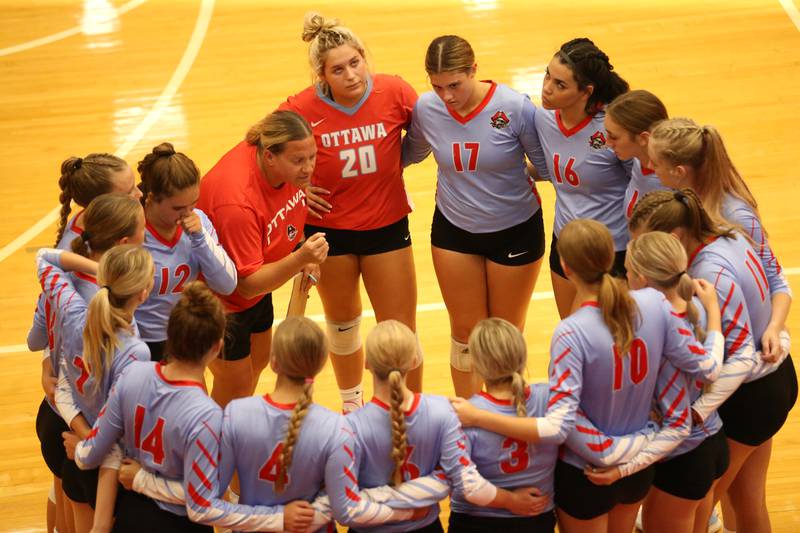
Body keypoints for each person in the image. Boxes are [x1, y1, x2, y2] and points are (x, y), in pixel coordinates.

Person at [451, 219, 728, 533]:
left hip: (586, 473)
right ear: (612, 257)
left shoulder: (570, 332)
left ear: (566, 268)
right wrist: (715, 317)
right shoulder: (654, 303)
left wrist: (478, 417)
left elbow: (558, 426)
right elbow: (709, 368)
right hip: (636, 471)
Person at [120, 317, 445, 531]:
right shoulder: (337, 427)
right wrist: (409, 506)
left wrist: (144, 481)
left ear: (273, 363)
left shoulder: (235, 414)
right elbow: (344, 507)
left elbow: (203, 503)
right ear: (320, 368)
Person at [69, 283, 322, 532]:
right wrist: (278, 518)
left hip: (130, 516)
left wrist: (80, 447)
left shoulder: (132, 374)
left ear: (170, 332)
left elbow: (90, 453)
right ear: (217, 348)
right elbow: (201, 506)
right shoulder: (207, 416)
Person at [629, 189, 797, 533]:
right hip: (772, 380)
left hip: (747, 400)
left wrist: (695, 410)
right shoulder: (730, 236)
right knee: (748, 504)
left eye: (646, 245)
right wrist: (780, 335)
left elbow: (727, 362)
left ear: (673, 237)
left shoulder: (707, 275)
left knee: (693, 518)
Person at [279, 12, 422, 411]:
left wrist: (401, 161)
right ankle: (353, 406)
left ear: (363, 56)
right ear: (322, 75)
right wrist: (298, 191)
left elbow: (431, 133)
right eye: (337, 69)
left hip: (386, 225)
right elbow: (265, 155)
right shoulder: (299, 108)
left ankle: (408, 406)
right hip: (327, 232)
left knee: (400, 329)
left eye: (355, 62)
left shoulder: (394, 91)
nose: (351, 75)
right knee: (342, 324)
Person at [402, 35, 549, 397]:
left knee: (504, 333)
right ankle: (469, 419)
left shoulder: (515, 107)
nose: (447, 96)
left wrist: (505, 177)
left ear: (474, 70)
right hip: (455, 231)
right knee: (465, 335)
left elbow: (545, 166)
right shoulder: (427, 109)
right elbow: (408, 154)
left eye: (455, 84)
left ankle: (507, 415)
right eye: (437, 86)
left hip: (515, 230)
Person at [345, 320, 551, 532]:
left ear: (367, 362)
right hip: (432, 526)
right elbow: (456, 479)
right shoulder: (443, 411)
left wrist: (390, 505)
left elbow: (343, 504)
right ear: (415, 360)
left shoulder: (349, 426)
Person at [29, 193, 145, 533]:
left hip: (68, 431)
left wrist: (98, 271)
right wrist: (88, 447)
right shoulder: (134, 351)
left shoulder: (73, 306)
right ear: (144, 292)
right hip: (99, 458)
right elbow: (119, 424)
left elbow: (44, 258)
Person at [197, 110, 329, 406]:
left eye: (312, 157)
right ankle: (214, 445)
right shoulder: (237, 202)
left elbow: (286, 209)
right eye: (298, 161)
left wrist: (298, 245)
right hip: (219, 303)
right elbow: (246, 285)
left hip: (257, 286)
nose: (308, 169)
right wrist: (299, 258)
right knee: (236, 385)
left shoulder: (284, 165)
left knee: (258, 364)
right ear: (269, 157)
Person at [647, 117, 792, 362]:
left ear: (679, 171)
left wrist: (774, 329)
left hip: (745, 358)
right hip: (716, 345)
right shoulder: (679, 197)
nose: (649, 166)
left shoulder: (736, 216)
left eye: (655, 162)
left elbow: (777, 282)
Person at [534, 37, 631, 318]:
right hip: (564, 242)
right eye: (547, 76)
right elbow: (552, 169)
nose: (547, 89)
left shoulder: (613, 126)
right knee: (572, 331)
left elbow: (641, 183)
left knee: (610, 340)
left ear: (586, 92)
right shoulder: (543, 119)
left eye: (560, 84)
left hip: (611, 250)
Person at [448, 318, 559, 533]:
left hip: (476, 521)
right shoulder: (549, 397)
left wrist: (510, 501)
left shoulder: (464, 414)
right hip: (536, 518)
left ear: (474, 364)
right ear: (523, 356)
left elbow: (461, 488)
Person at [135, 142, 237, 361]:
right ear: (151, 199)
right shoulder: (132, 232)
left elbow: (227, 284)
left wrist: (200, 239)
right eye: (178, 208)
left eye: (193, 203)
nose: (187, 214)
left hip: (184, 340)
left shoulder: (199, 222)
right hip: (138, 344)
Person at [603, 89, 670, 219]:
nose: (607, 143)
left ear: (643, 139)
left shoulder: (671, 184)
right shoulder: (638, 159)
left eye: (614, 137)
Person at [54, 153, 142, 248]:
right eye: (129, 193)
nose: (140, 193)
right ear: (99, 205)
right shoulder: (75, 253)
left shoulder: (112, 220)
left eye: (134, 185)